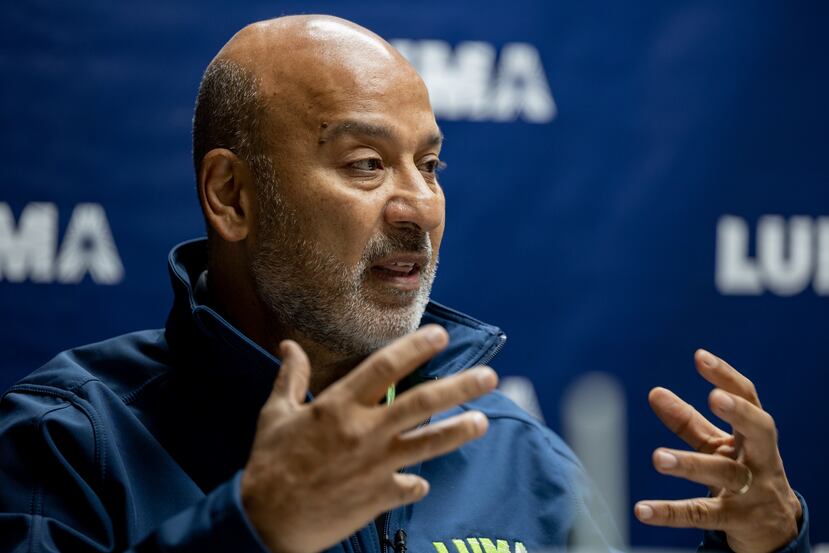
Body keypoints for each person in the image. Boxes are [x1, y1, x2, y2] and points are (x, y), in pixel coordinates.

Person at [0, 14, 808, 553]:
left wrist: (766, 543)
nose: (419, 206)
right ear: (232, 196)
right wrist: (251, 528)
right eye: (365, 164)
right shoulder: (71, 441)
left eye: (429, 164)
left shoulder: (517, 452)